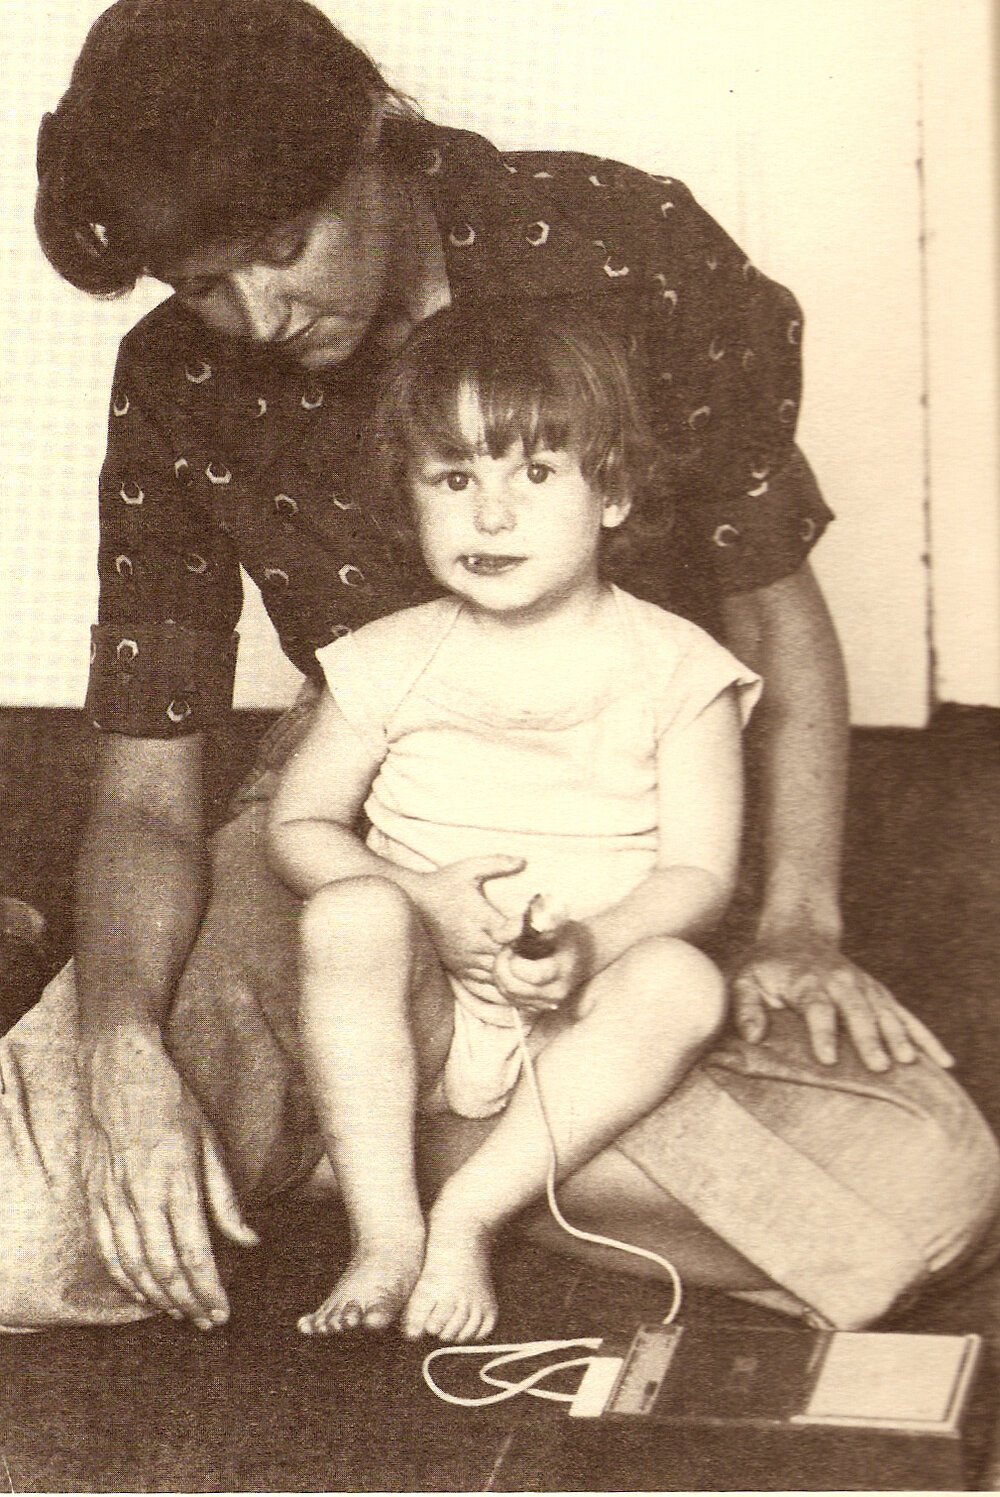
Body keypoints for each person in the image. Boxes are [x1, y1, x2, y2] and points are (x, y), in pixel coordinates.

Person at [2, 0, 994, 1333]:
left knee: (930, 1196)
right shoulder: (177, 380)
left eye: (282, 250)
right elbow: (142, 792)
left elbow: (768, 602)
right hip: (350, 838)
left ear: (370, 143)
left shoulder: (624, 245)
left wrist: (800, 928)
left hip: (628, 831)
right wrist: (126, 1042)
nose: (253, 315)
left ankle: (369, 1153)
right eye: (198, 286)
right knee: (27, 1240)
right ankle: (405, 1127)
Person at [269, 303, 760, 1340]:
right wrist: (417, 901)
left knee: (684, 981)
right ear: (410, 501)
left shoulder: (679, 669)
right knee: (344, 917)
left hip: (575, 1012)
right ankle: (386, 1230)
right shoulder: (390, 656)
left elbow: (700, 875)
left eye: (533, 475)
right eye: (454, 479)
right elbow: (300, 822)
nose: (489, 516)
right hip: (425, 1000)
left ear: (613, 492)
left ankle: (468, 1212)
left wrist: (592, 945)